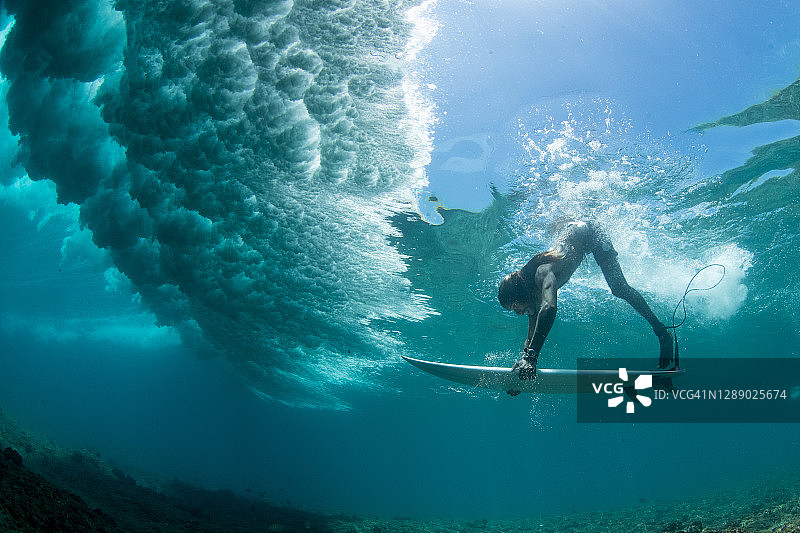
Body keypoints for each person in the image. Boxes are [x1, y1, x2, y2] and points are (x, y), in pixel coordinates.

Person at [498, 220, 674, 382]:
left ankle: (662, 332)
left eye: (515, 306)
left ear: (520, 293)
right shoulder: (532, 296)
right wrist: (521, 369)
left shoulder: (542, 273)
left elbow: (550, 308)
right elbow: (530, 337)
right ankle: (662, 333)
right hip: (573, 234)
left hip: (592, 233)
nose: (518, 312)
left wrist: (531, 358)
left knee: (619, 288)